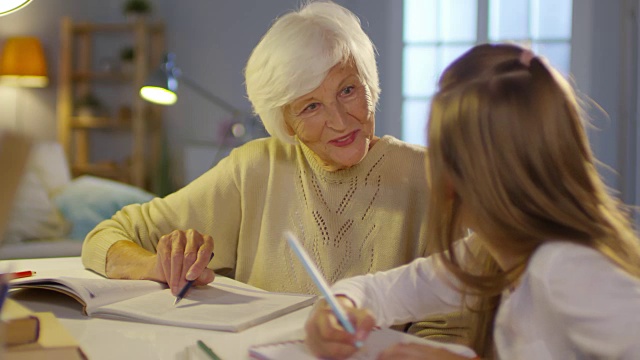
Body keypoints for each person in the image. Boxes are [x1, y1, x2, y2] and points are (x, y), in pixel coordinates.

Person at [81, 1, 467, 342]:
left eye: (348, 90)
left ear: (370, 82)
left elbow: (454, 329)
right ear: (284, 121)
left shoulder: (431, 176)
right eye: (310, 107)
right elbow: (104, 237)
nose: (339, 120)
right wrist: (158, 265)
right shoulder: (255, 168)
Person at [304, 43, 640, 360]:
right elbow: (389, 289)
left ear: (453, 174)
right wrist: (339, 305)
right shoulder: (490, 252)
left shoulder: (565, 267)